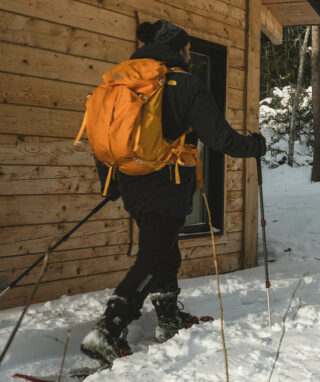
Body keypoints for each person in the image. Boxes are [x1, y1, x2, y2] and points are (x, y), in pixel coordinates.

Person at [80, 20, 267, 366]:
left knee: (164, 250)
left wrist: (111, 182)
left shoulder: (123, 81)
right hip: (165, 185)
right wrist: (254, 145)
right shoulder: (184, 84)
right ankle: (107, 329)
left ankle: (167, 319)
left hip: (133, 183)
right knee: (154, 257)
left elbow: (105, 137)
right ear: (179, 49)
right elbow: (221, 139)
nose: (191, 54)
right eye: (188, 48)